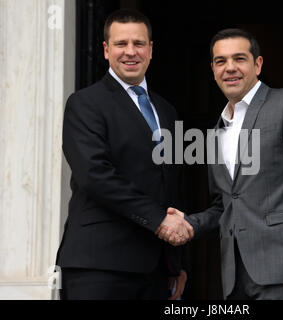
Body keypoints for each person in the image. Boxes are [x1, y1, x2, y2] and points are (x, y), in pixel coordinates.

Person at [157, 28, 283, 300]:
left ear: (258, 64)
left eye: (239, 59)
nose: (230, 68)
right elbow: (224, 206)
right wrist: (190, 224)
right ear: (212, 70)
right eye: (221, 61)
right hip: (235, 279)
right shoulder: (215, 132)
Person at [56, 9, 193, 300]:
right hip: (99, 266)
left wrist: (176, 263)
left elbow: (171, 185)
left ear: (151, 50)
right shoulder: (84, 104)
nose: (130, 52)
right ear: (106, 50)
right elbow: (95, 174)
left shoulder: (167, 111)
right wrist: (159, 220)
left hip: (156, 270)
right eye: (121, 44)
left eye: (139, 43)